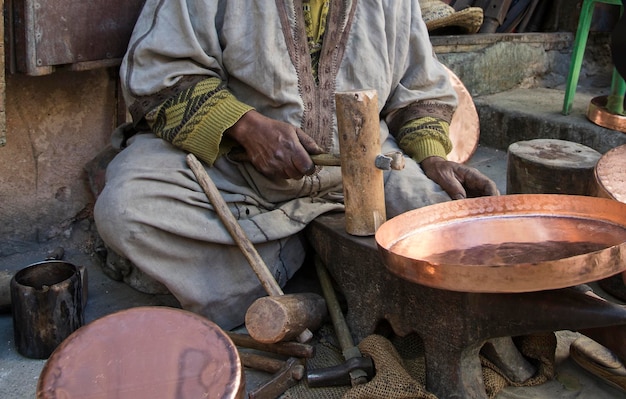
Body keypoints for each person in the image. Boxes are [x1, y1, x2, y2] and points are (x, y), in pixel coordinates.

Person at [94, 0, 499, 331]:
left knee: (458, 232)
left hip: (363, 168)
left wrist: (431, 156)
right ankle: (290, 258)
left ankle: (271, 256)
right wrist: (245, 127)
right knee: (127, 209)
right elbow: (161, 73)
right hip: (237, 168)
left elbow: (420, 90)